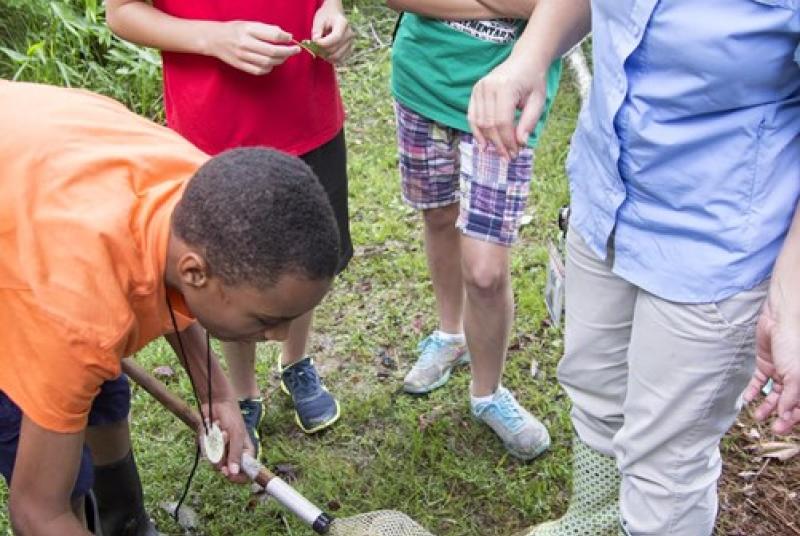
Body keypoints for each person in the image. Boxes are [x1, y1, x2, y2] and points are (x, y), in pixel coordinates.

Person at [468, 0, 800, 534]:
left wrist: (792, 298)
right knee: (595, 385)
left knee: (665, 464)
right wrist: (528, 57)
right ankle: (596, 517)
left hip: (716, 244)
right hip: (607, 200)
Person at [0, 80, 340, 535]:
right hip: (31, 258)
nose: (280, 336)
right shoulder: (77, 318)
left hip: (37, 170)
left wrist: (214, 393)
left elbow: (168, 286)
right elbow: (37, 511)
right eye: (266, 319)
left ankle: (126, 524)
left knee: (102, 388)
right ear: (196, 271)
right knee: (47, 457)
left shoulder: (204, 193)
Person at [105, 0, 355, 445]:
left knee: (305, 257)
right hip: (215, 130)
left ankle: (296, 362)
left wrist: (331, 8)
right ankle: (242, 392)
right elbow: (121, 12)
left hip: (308, 114)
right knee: (235, 273)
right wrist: (213, 38)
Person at [386, 0, 562, 461]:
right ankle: (450, 335)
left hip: (508, 104)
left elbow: (571, 10)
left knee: (485, 270)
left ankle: (487, 393)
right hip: (422, 80)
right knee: (438, 217)